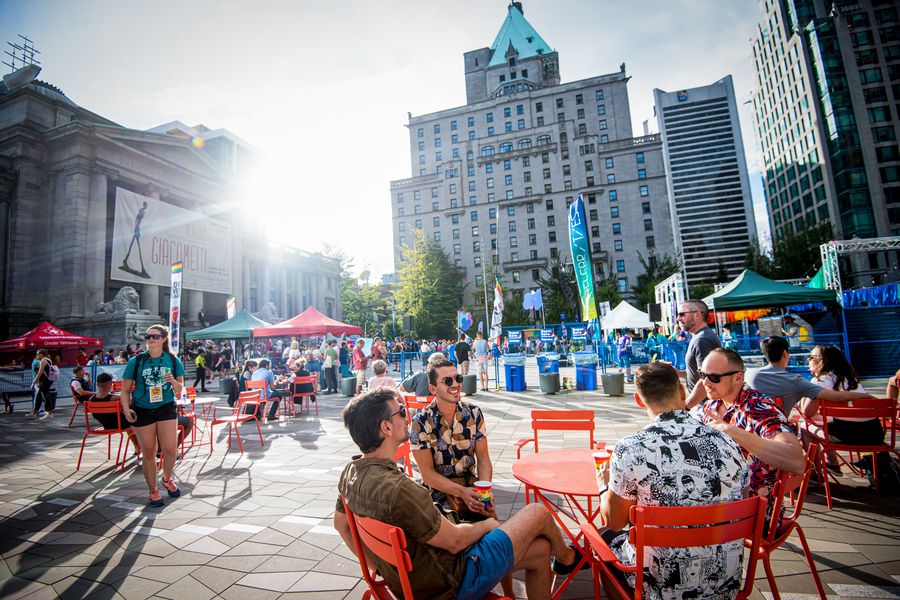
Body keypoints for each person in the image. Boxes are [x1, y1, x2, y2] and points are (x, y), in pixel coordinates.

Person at [334, 386, 583, 600]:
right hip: (454, 579)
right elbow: (455, 542)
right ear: (386, 427)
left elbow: (341, 525)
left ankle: (560, 558)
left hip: (413, 582)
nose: (406, 414)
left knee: (539, 551)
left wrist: (377, 565)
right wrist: (488, 525)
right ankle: (568, 557)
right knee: (537, 512)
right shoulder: (399, 488)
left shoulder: (350, 473)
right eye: (400, 411)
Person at [596, 363, 749, 600]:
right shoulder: (728, 441)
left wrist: (604, 487)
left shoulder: (631, 449)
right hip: (724, 583)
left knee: (605, 543)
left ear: (638, 400)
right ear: (682, 392)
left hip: (657, 588)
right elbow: (743, 500)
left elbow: (615, 522)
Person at [697, 348, 805, 520]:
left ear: (738, 378)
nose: (705, 383)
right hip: (716, 499)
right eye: (702, 375)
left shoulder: (759, 409)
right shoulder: (712, 405)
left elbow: (796, 460)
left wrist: (731, 431)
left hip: (752, 514)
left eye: (714, 377)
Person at [121, 325, 185, 507]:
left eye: (155, 336)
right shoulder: (136, 361)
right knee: (148, 451)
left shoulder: (173, 360)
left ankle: (166, 478)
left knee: (170, 449)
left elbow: (180, 389)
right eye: (148, 336)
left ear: (164, 339)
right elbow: (125, 390)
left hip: (166, 406)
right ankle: (153, 491)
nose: (150, 339)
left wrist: (172, 381)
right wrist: (126, 409)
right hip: (142, 409)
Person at [800, 345, 882, 473]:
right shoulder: (851, 379)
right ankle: (832, 465)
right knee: (825, 422)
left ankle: (817, 471)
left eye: (811, 357)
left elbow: (807, 412)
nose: (808, 360)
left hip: (848, 437)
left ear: (823, 361)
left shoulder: (821, 382)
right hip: (874, 435)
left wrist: (810, 386)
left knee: (804, 427)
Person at [745, 336, 871, 416]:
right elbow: (837, 397)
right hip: (776, 430)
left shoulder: (749, 374)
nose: (808, 360)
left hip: (749, 429)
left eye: (811, 357)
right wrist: (864, 395)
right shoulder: (796, 381)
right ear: (785, 354)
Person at [678, 300, 721, 409]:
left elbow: (706, 379)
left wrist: (685, 407)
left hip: (707, 407)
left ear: (697, 315)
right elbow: (698, 373)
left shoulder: (702, 340)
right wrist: (677, 373)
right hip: (705, 405)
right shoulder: (699, 336)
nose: (678, 319)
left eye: (682, 314)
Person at [29, 350, 55, 420]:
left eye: (37, 354)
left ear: (41, 354)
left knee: (45, 396)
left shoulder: (43, 361)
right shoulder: (48, 360)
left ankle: (49, 413)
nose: (36, 355)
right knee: (39, 396)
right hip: (47, 380)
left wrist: (34, 382)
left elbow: (40, 372)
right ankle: (35, 412)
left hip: (44, 381)